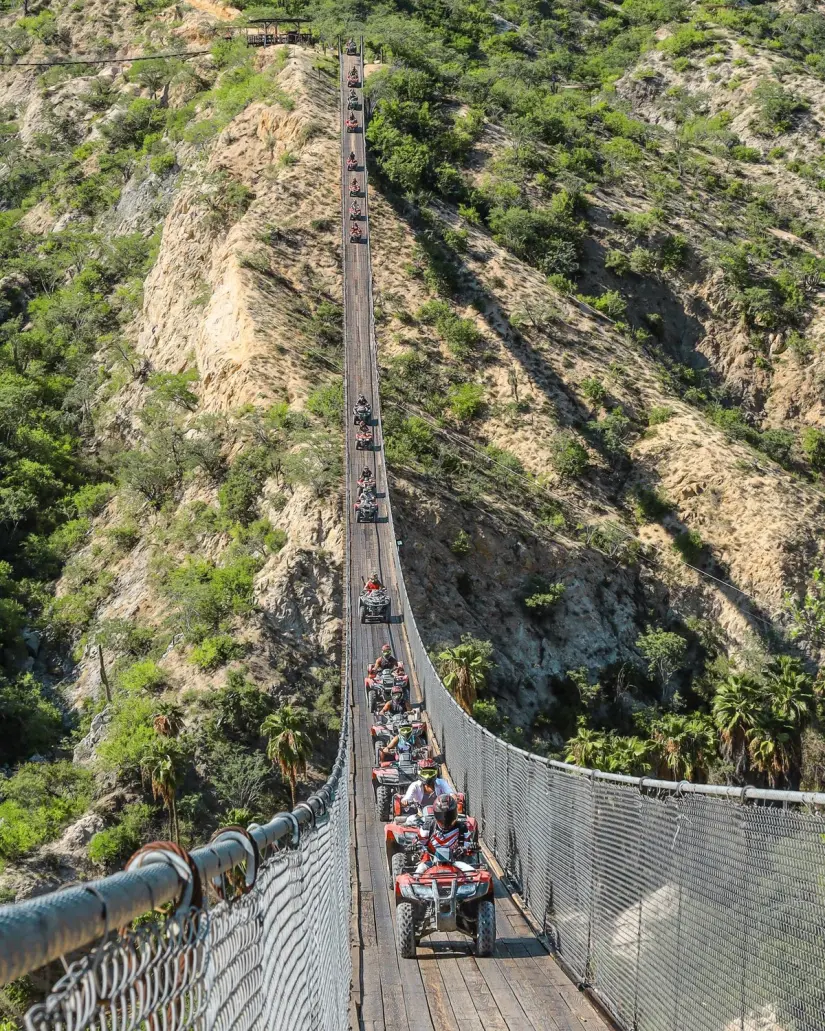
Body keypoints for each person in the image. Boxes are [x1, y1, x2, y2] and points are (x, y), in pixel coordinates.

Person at [415, 794, 475, 874]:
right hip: (431, 862)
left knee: (472, 873)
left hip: (455, 862)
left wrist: (471, 847)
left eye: (449, 815)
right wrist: (415, 847)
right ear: (436, 815)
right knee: (419, 871)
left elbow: (467, 846)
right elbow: (419, 843)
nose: (445, 819)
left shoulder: (462, 828)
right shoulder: (428, 827)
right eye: (441, 816)